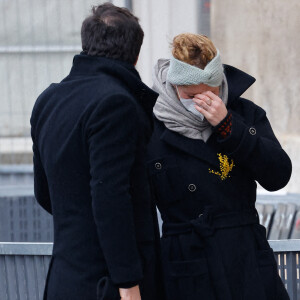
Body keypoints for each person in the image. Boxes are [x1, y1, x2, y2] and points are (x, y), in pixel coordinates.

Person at [30, 3, 163, 300]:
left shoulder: (48, 99)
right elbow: (110, 197)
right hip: (110, 284)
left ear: (86, 44)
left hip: (64, 277)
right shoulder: (117, 103)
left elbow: (44, 193)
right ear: (136, 54)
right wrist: (128, 283)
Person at [147, 33, 292, 300]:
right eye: (191, 95)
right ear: (173, 85)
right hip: (187, 264)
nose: (201, 102)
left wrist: (229, 126)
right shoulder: (150, 125)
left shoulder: (245, 114)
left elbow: (278, 175)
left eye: (210, 94)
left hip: (245, 258)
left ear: (220, 84)